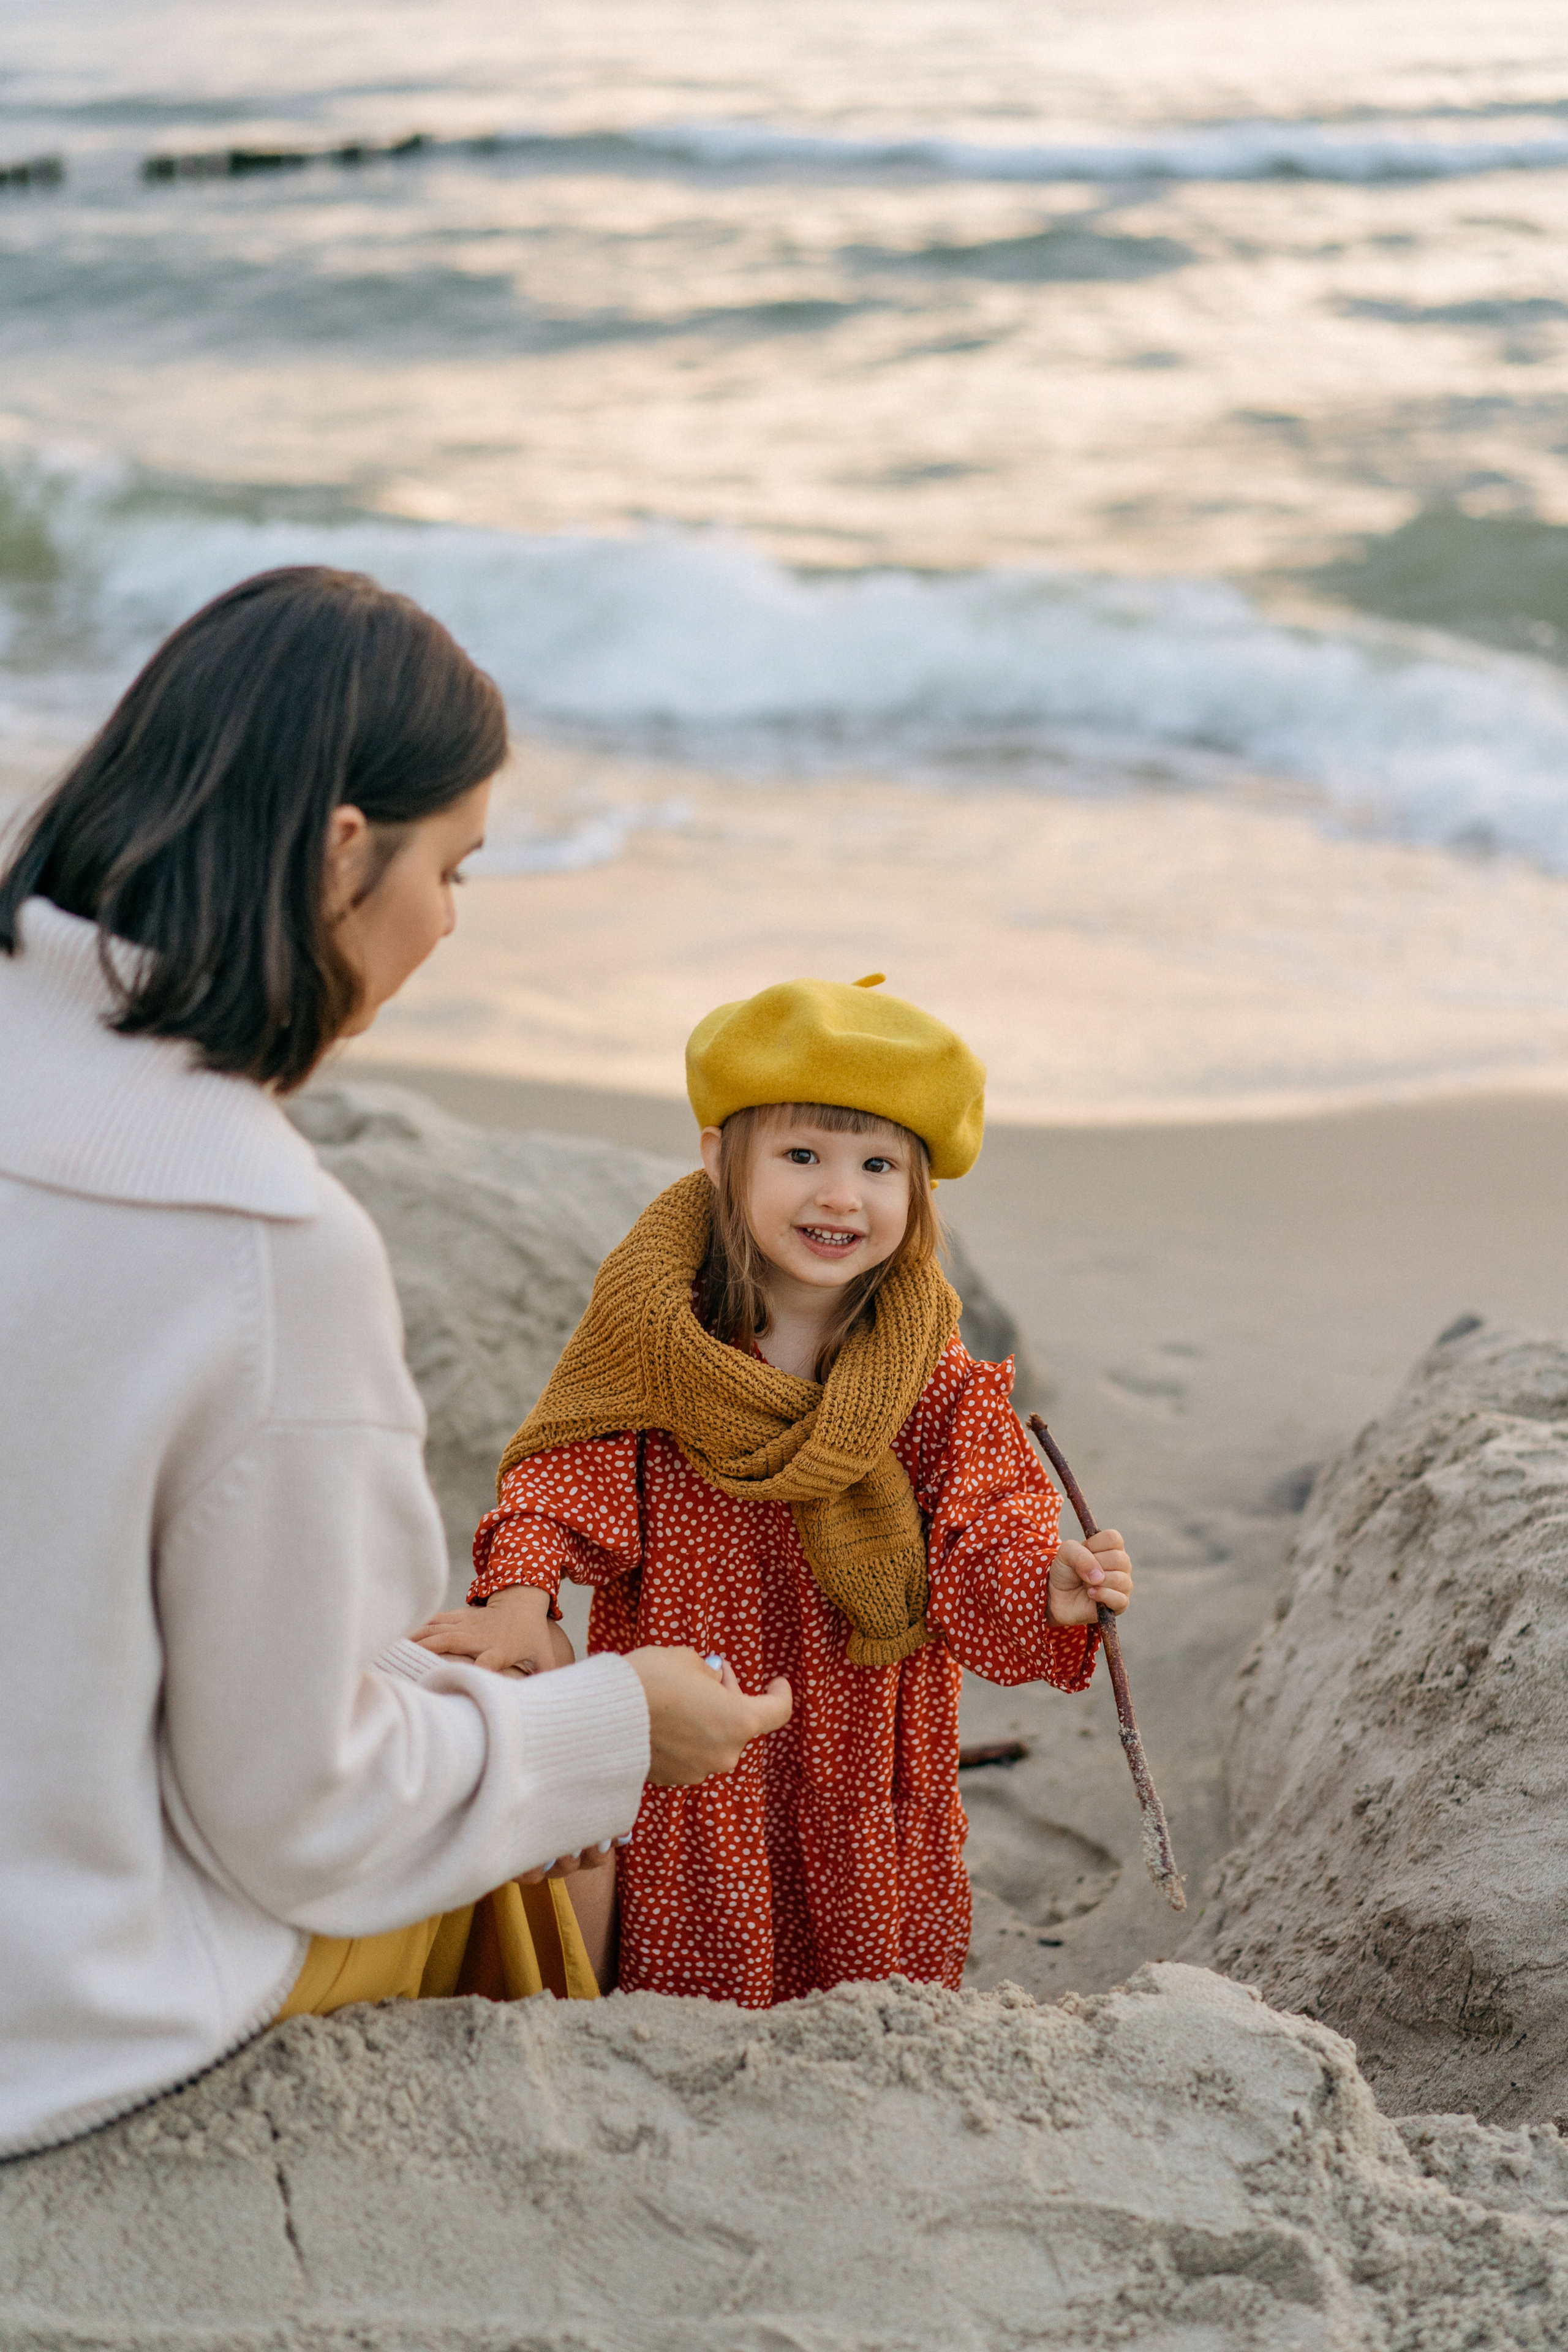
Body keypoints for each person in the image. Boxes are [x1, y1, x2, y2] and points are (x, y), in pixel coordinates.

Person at [0, 566, 790, 2161]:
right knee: (551, 1840)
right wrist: (612, 1723)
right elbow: (303, 1814)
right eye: (454, 869)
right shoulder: (260, 1242)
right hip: (53, 2002)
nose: (445, 921)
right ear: (342, 855)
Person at [415, 974, 1133, 2006]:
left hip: (857, 1733)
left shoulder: (927, 1370)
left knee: (858, 1953)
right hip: (695, 1712)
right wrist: (523, 1598)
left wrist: (1042, 1584)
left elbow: (982, 1525)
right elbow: (568, 1470)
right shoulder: (663, 1336)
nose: (841, 1195)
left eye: (879, 1166)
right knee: (683, 1939)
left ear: (920, 1192)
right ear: (721, 1159)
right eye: (802, 1156)